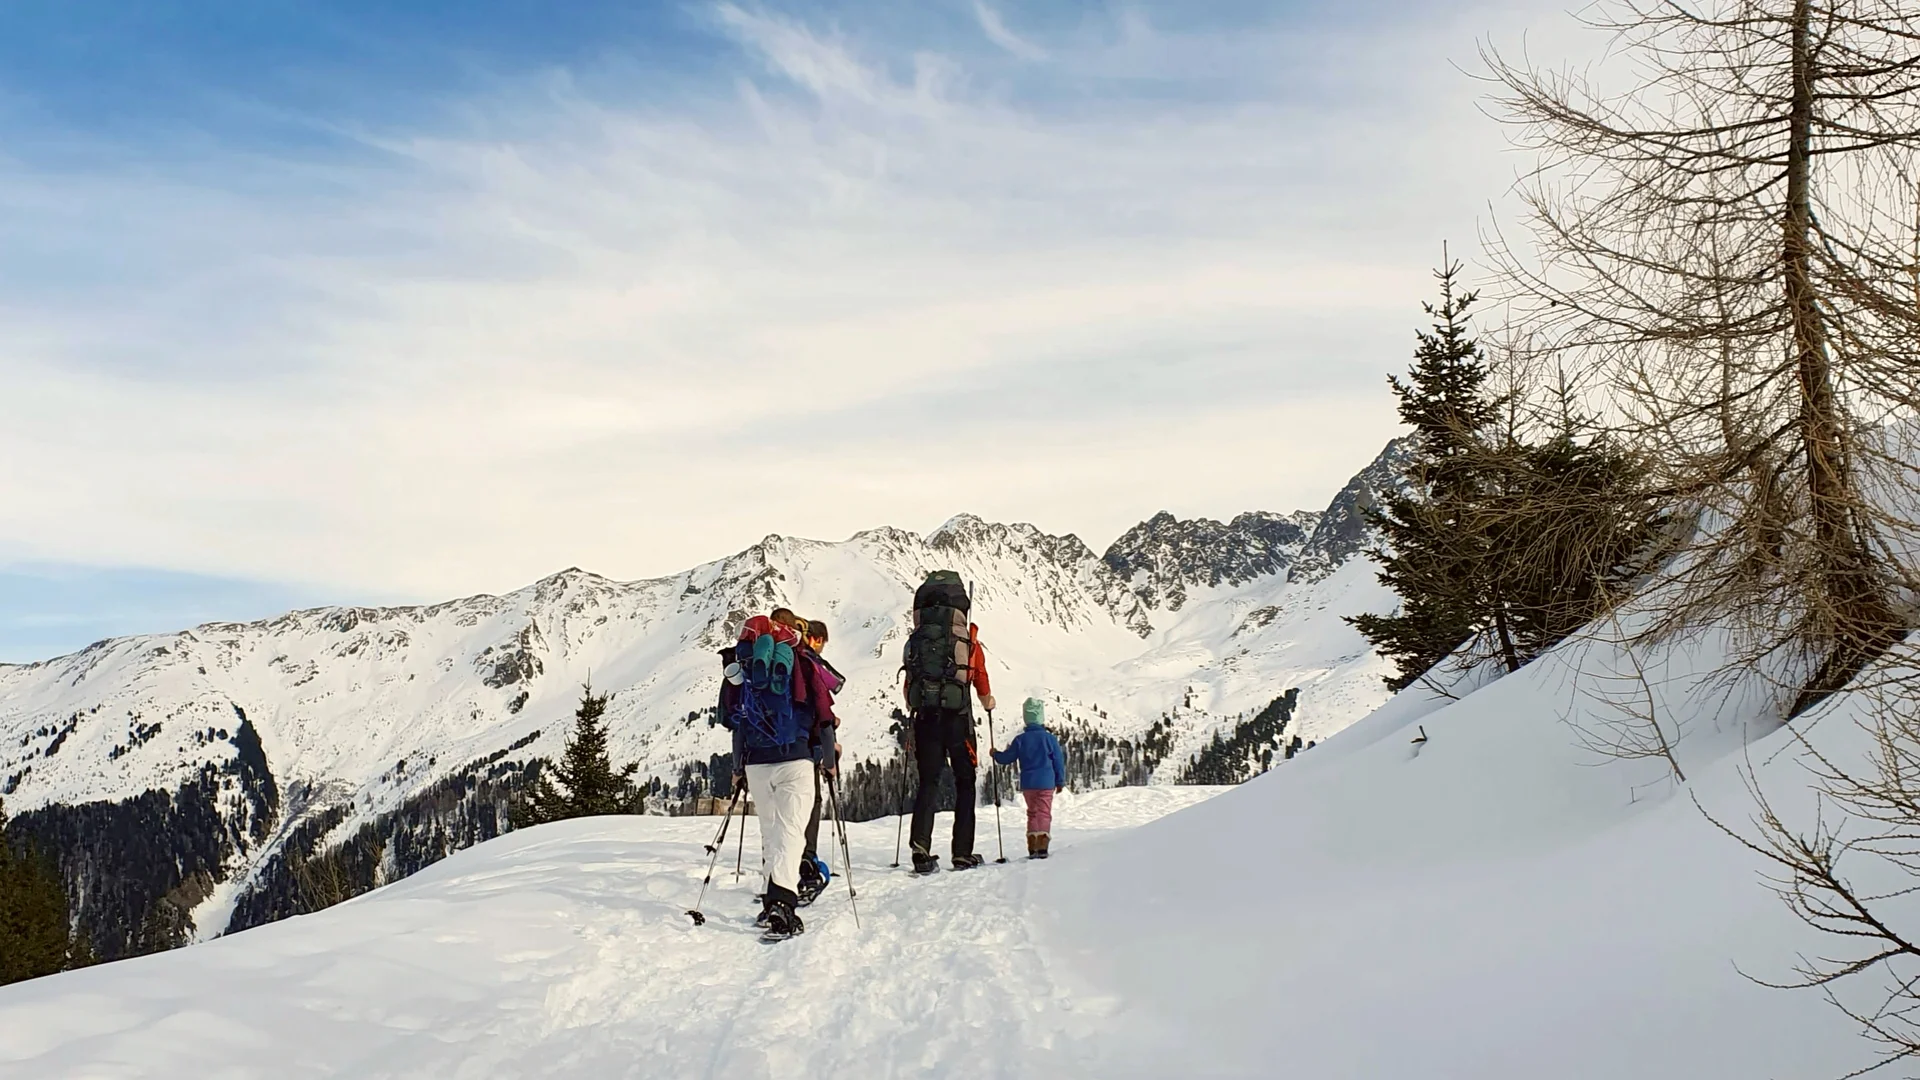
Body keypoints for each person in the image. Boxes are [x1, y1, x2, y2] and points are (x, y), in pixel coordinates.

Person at [720, 612, 839, 940]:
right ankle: (782, 905)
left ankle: (769, 897)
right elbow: (824, 716)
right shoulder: (801, 661)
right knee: (790, 834)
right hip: (795, 760)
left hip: (756, 763)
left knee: (771, 832)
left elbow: (736, 721)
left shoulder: (743, 668)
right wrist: (828, 760)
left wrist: (737, 768)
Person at [901, 570, 996, 874]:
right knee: (965, 782)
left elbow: (909, 684)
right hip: (958, 719)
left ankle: (920, 848)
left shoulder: (918, 639)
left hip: (925, 719)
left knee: (928, 782)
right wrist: (987, 700)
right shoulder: (966, 640)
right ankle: (961, 852)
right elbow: (977, 676)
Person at [796, 618, 842, 904]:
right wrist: (829, 757)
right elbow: (823, 716)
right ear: (815, 639)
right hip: (803, 750)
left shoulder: (782, 660)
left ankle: (775, 871)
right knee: (810, 803)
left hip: (762, 751)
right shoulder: (809, 664)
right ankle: (807, 861)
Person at [992, 697, 1068, 859]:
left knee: (1032, 812)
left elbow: (1007, 758)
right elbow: (1058, 761)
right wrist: (1060, 781)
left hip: (1028, 784)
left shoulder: (1020, 740)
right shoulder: (1049, 739)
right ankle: (1042, 843)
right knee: (1044, 812)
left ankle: (1032, 844)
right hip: (1046, 783)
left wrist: (996, 754)